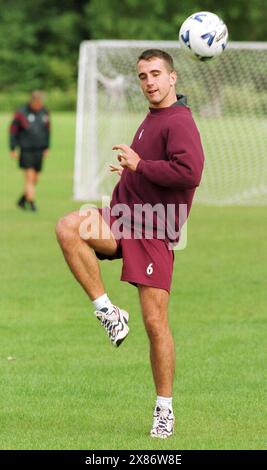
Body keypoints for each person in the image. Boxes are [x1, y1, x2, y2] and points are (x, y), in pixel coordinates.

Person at [56, 49, 205, 439]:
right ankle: (107, 311)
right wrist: (130, 171)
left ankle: (164, 410)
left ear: (173, 78)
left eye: (156, 74)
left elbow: (189, 172)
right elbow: (150, 166)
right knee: (69, 227)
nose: (149, 82)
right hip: (123, 218)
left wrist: (141, 167)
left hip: (155, 231)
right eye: (143, 76)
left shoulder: (180, 121)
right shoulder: (152, 118)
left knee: (156, 325)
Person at [9, 90, 50, 211]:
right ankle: (31, 204)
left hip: (39, 150)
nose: (40, 104)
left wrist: (46, 147)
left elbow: (47, 130)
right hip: (26, 150)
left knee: (35, 179)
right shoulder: (21, 113)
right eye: (38, 102)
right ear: (32, 101)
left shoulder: (44, 112)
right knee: (29, 177)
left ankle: (22, 200)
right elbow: (13, 131)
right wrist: (13, 148)